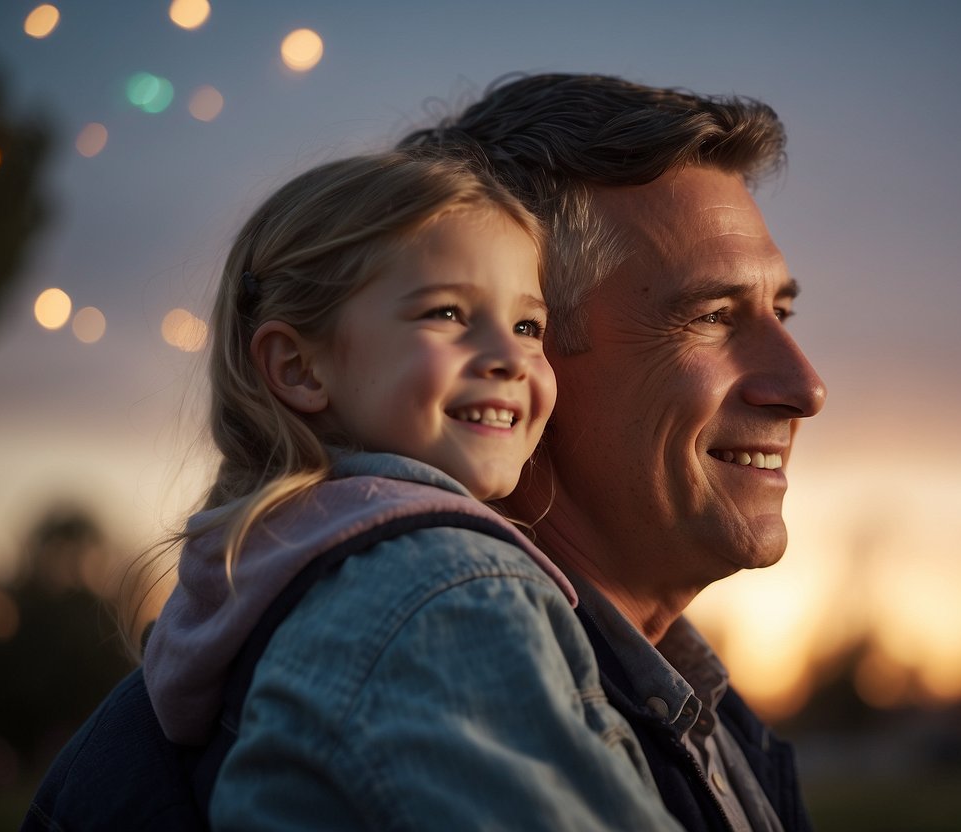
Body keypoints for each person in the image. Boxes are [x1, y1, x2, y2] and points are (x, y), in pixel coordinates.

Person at [133, 148, 680, 829]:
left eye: (527, 326)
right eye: (447, 313)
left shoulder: (271, 570)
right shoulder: (445, 589)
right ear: (299, 367)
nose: (509, 358)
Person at [401, 73, 828, 831]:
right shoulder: (422, 723)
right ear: (514, 359)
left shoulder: (710, 726)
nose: (804, 387)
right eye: (712, 316)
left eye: (780, 310)